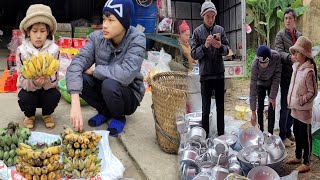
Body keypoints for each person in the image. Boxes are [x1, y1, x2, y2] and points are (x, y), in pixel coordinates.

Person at [66, 0, 146, 136]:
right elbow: (76, 64)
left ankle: (118, 116)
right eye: (104, 19)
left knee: (110, 84)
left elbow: (126, 74)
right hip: (106, 87)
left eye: (111, 20)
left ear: (124, 22)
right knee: (83, 79)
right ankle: (105, 111)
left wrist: (96, 71)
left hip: (129, 94)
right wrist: (75, 100)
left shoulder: (137, 39)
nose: (104, 25)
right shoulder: (97, 38)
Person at [16, 4, 61, 130]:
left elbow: (55, 77)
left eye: (43, 31)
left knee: (54, 95)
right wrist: (34, 82)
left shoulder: (54, 50)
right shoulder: (21, 51)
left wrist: (47, 81)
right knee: (25, 97)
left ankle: (47, 114)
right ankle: (29, 116)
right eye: (34, 31)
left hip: (47, 89)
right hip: (29, 89)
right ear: (28, 32)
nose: (39, 35)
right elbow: (21, 79)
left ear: (48, 32)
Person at [191, 1, 230, 136]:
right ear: (203, 16)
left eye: (213, 16)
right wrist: (205, 46)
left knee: (220, 108)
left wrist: (220, 46)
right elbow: (193, 54)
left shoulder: (220, 30)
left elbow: (227, 51)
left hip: (219, 74)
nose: (210, 19)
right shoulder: (197, 32)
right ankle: (205, 136)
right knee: (205, 109)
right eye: (208, 16)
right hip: (205, 76)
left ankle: (221, 135)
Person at [286, 36, 318, 173]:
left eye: (297, 52)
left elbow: (313, 92)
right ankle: (298, 157)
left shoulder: (309, 71)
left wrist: (301, 100)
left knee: (305, 136)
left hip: (304, 110)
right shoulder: (296, 68)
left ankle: (306, 161)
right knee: (297, 134)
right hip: (295, 109)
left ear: (304, 55)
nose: (294, 55)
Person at [275, 8, 302, 146]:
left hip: (298, 75)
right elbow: (278, 52)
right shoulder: (280, 35)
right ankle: (282, 136)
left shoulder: (299, 36)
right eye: (285, 18)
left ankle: (288, 132)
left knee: (293, 105)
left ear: (294, 20)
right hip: (286, 75)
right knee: (285, 106)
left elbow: (304, 51)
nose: (287, 21)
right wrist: (290, 58)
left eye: (290, 18)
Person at [250, 45, 282, 134]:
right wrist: (253, 112)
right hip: (260, 83)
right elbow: (252, 87)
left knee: (272, 106)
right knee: (259, 107)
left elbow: (277, 77)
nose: (263, 65)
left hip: (271, 83)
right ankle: (261, 131)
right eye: (261, 62)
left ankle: (270, 133)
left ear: (270, 58)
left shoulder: (276, 57)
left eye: (265, 62)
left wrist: (272, 96)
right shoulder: (255, 65)